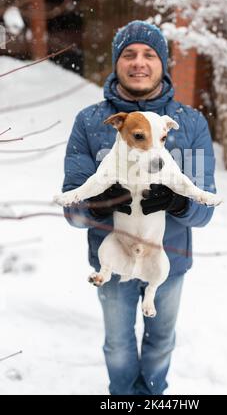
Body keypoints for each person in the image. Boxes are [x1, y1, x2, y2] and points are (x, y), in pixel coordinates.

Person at [62, 20, 216, 395]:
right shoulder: (91, 122)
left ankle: (153, 397)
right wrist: (95, 205)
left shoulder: (188, 123)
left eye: (149, 54)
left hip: (170, 257)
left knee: (161, 342)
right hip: (111, 255)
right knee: (117, 345)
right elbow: (72, 208)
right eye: (128, 54)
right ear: (116, 63)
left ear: (163, 63)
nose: (139, 62)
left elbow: (205, 209)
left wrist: (179, 201)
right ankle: (123, 398)